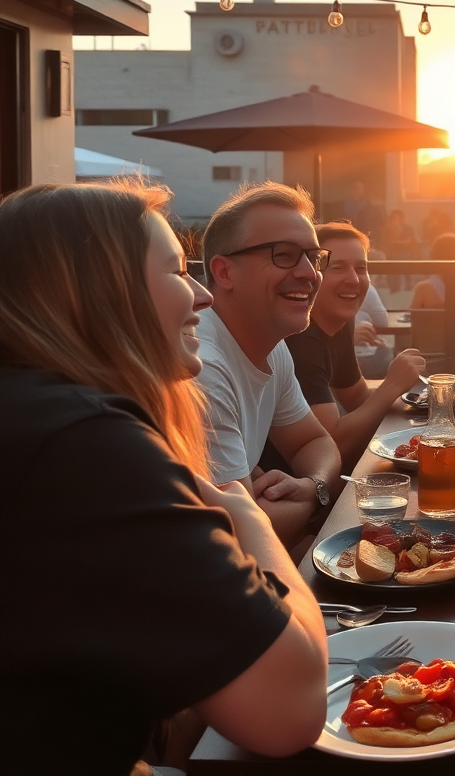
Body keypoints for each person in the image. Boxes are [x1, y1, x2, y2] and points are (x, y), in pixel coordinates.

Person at [0, 181, 326, 775]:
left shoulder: (42, 418)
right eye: (178, 271)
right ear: (100, 292)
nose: (200, 296)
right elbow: (292, 709)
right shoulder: (84, 443)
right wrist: (248, 520)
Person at [198, 182, 342, 549]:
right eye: (284, 255)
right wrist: (316, 504)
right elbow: (239, 539)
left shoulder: (271, 346)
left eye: (313, 257)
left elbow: (315, 441)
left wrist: (314, 486)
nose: (310, 274)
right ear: (224, 272)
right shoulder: (202, 365)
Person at [286, 222, 425, 470]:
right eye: (338, 267)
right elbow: (330, 446)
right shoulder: (299, 339)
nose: (353, 279)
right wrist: (392, 384)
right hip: (287, 488)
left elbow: (357, 397)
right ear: (310, 274)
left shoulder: (341, 323)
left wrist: (427, 399)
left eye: (361, 268)